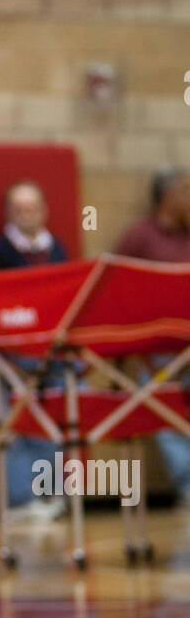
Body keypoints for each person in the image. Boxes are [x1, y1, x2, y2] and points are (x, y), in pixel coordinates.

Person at [0, 179, 70, 520]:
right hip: (14, 351)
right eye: (19, 209)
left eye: (32, 208)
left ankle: (53, 494)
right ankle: (23, 499)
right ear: (10, 213)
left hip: (52, 348)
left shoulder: (58, 249)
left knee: (57, 421)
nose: (27, 214)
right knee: (17, 422)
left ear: (44, 210)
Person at [116, 167, 190, 508]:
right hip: (156, 348)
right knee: (166, 414)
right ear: (167, 197)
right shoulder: (140, 236)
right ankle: (186, 483)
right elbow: (114, 283)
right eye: (185, 191)